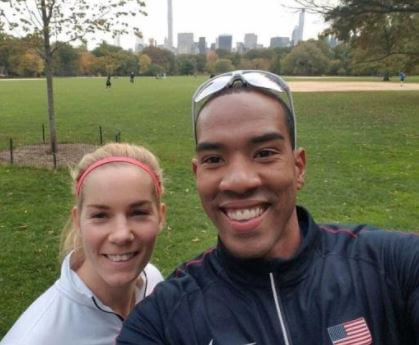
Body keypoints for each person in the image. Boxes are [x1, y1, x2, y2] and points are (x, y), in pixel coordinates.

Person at [117, 70, 419, 345]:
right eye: (214, 159)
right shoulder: (163, 320)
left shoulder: (391, 266)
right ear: (198, 175)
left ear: (298, 167)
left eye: (264, 153)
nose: (238, 181)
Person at [1, 143, 166, 345]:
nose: (121, 235)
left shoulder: (153, 282)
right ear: (77, 220)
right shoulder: (37, 338)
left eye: (138, 213)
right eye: (100, 215)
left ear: (161, 216)